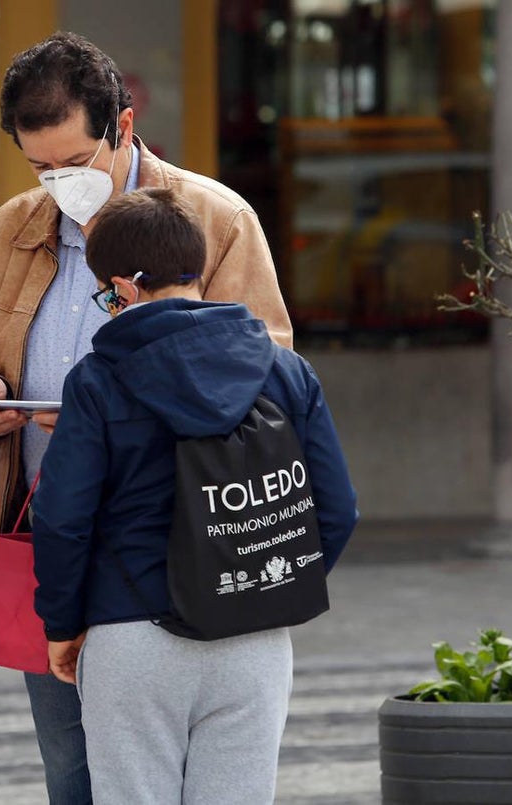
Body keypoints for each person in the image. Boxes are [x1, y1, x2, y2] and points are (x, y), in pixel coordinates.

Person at [0, 31, 293, 803]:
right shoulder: (7, 232)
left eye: (75, 161)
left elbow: (264, 373)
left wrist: (112, 424)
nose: (60, 184)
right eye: (41, 168)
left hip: (177, 546)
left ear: (123, 126)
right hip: (53, 543)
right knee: (72, 772)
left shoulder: (214, 218)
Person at [31, 188, 358, 804]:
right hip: (255, 638)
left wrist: (63, 623)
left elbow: (62, 519)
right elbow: (337, 509)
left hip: (132, 632)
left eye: (105, 296)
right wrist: (269, 581)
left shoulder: (98, 381)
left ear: (123, 288)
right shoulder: (285, 370)